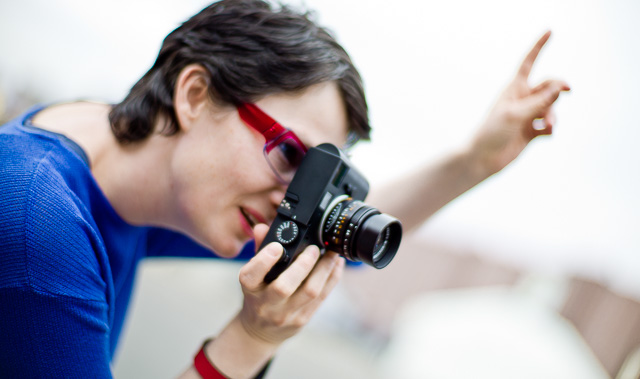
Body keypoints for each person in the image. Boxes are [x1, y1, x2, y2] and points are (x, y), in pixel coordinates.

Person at [0, 0, 569, 378]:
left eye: (316, 178)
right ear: (195, 94)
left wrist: (473, 162)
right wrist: (252, 338)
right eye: (293, 155)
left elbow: (337, 248)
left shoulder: (111, 154)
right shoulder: (38, 224)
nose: (294, 199)